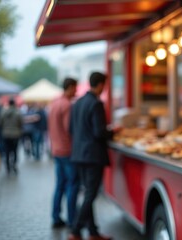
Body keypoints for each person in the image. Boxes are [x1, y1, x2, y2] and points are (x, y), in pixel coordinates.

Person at [68, 72, 114, 240]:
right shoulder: (96, 104)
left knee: (88, 193)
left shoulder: (77, 103)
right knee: (91, 194)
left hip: (78, 154)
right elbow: (99, 132)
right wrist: (113, 131)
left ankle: (93, 232)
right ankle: (75, 230)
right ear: (101, 85)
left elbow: (71, 130)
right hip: (93, 156)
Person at [48, 78, 80, 229]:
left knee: (60, 185)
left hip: (56, 150)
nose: (76, 91)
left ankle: (56, 217)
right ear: (71, 87)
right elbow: (70, 128)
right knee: (72, 185)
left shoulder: (54, 103)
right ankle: (72, 220)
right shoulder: (67, 105)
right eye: (75, 88)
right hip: (67, 150)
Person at [0, 99, 23, 174]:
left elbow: (0, 123)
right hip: (15, 134)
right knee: (15, 151)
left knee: (7, 151)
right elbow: (21, 123)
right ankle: (14, 165)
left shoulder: (3, 112)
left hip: (6, 134)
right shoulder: (18, 112)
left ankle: (7, 166)